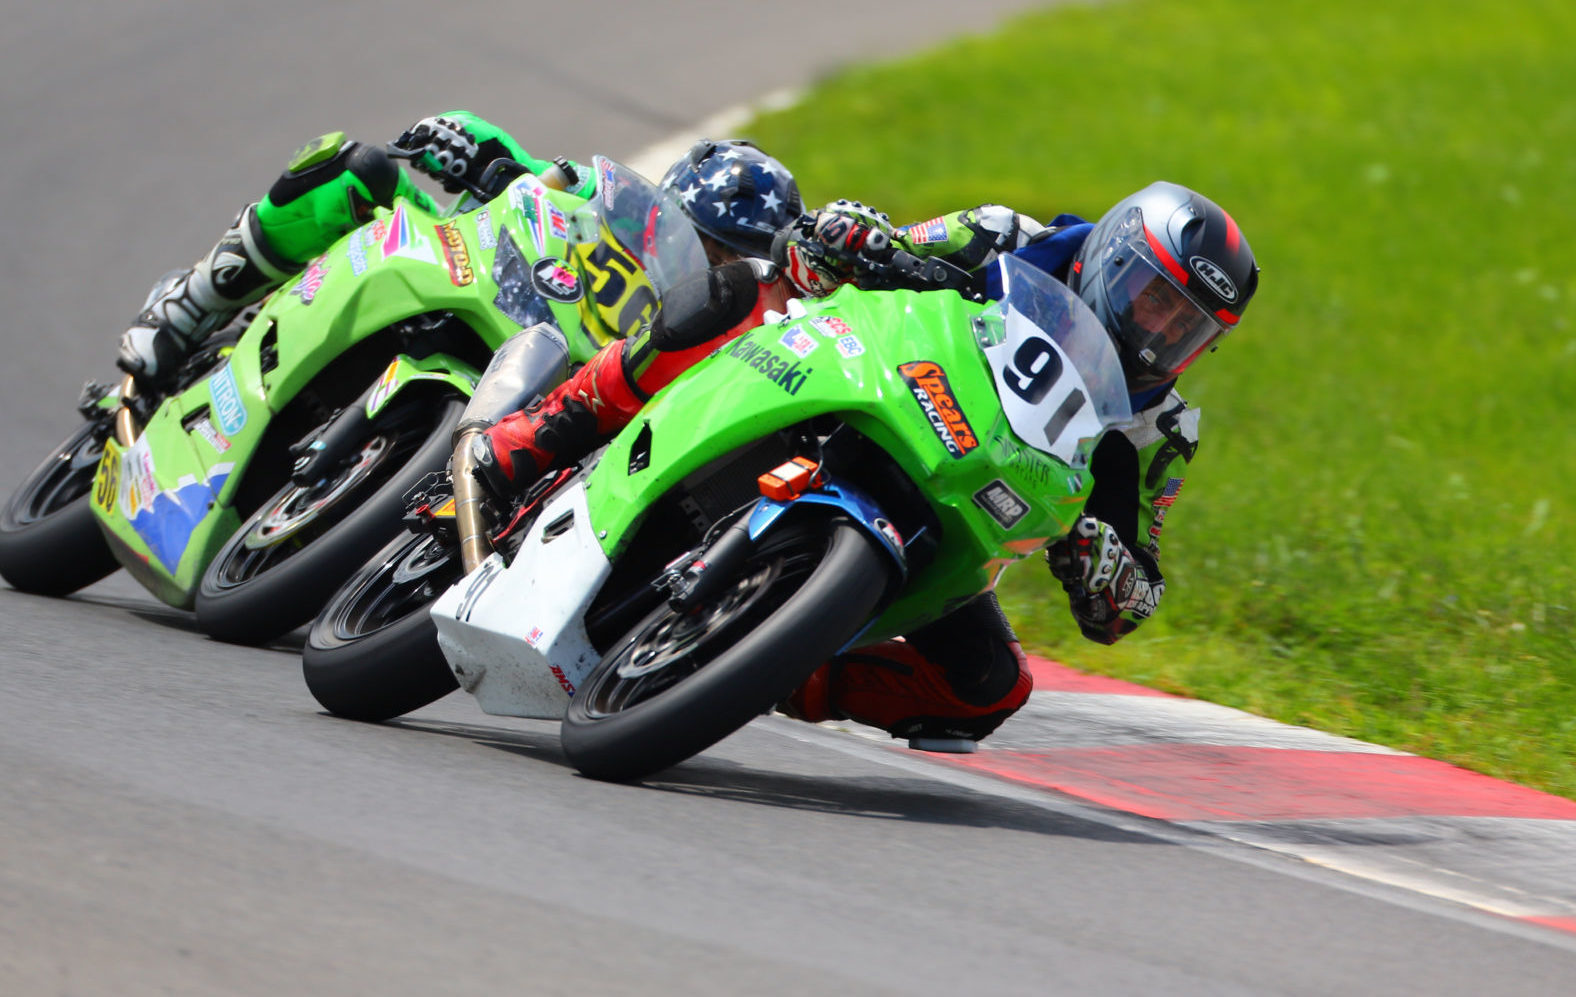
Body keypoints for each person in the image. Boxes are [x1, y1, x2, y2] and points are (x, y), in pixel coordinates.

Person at [472, 181, 1259, 747]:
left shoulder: (1162, 431)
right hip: (875, 388)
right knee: (748, 291)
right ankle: (543, 429)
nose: (1159, 330)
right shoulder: (1008, 236)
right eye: (1154, 297)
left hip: (958, 511)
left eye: (1187, 325)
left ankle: (780, 666)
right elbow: (875, 250)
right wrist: (856, 237)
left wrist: (1109, 570)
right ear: (1115, 256)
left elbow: (1136, 587)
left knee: (991, 685)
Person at [113, 114, 803, 387]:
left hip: (541, 385)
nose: (710, 263)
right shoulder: (603, 196)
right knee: (355, 171)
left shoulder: (715, 337)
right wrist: (462, 138)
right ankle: (189, 305)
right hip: (455, 278)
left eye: (728, 258)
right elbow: (525, 167)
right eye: (706, 240)